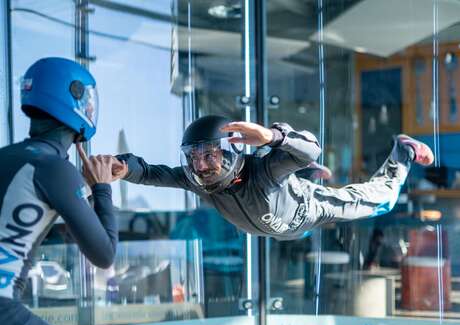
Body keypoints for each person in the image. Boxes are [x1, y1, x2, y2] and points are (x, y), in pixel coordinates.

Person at [113, 115, 433, 241]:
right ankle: (302, 176)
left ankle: (402, 152)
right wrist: (122, 167)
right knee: (295, 226)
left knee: (383, 202)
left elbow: (311, 150)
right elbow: (153, 173)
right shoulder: (196, 179)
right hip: (282, 228)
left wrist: (270, 137)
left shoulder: (261, 173)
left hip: (308, 208)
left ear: (229, 152)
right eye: (193, 157)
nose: (201, 165)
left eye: (209, 154)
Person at [0, 57, 124, 325]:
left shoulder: (8, 156)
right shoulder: (53, 168)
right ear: (75, 96)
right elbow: (104, 254)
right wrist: (102, 187)